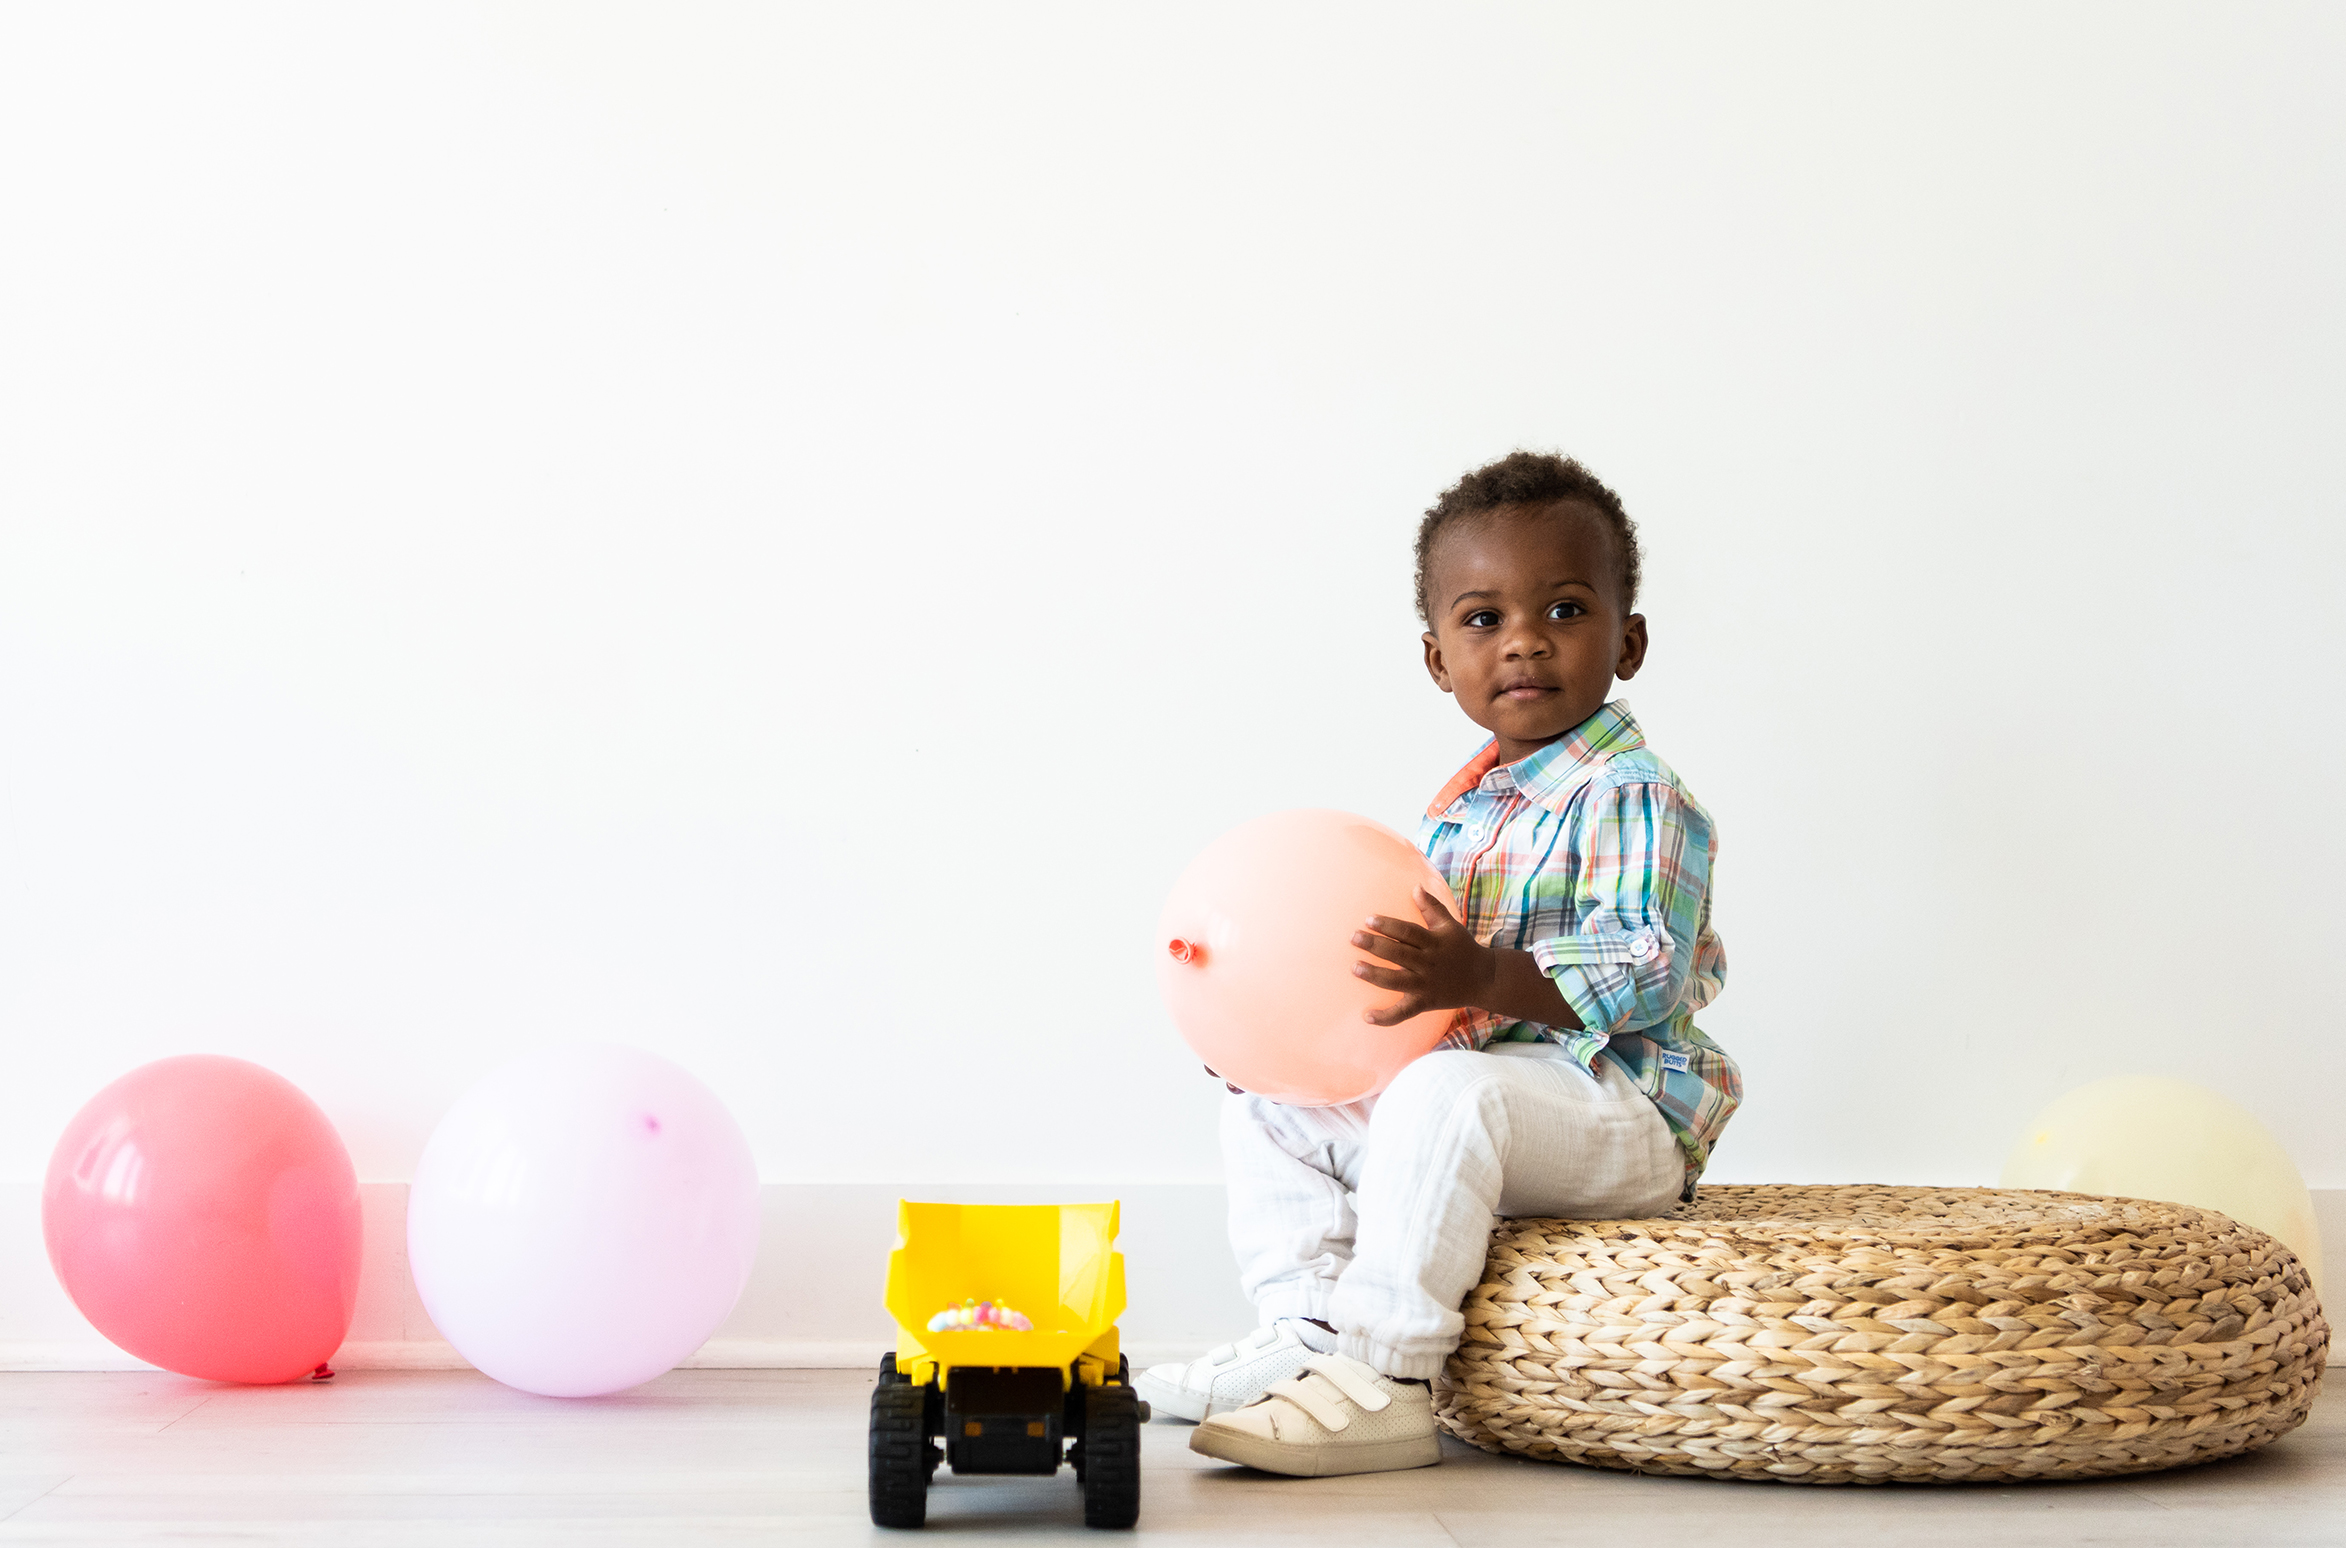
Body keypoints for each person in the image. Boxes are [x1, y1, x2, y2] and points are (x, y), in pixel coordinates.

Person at [1135, 451, 1742, 1477]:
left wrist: (1482, 979)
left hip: (1622, 1109)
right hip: (1480, 1099)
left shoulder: (1635, 795)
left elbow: (1646, 969)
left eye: (1563, 611)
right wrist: (1283, 1039)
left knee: (1453, 1093)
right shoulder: (1460, 813)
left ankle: (1384, 1376)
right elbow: (1412, 1000)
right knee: (1269, 1108)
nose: (1523, 644)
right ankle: (1310, 1332)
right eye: (1482, 619)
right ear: (1435, 659)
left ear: (1626, 640)